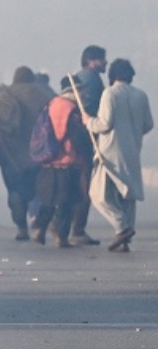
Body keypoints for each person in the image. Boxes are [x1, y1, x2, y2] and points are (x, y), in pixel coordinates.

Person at [85, 58, 153, 252]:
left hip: (109, 151)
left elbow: (104, 124)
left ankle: (121, 226)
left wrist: (89, 121)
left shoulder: (109, 93)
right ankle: (124, 239)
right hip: (132, 149)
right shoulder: (141, 95)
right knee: (127, 195)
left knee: (98, 194)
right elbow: (148, 125)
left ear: (112, 75)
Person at [0, 66, 55, 240]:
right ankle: (40, 223)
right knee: (40, 189)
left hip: (10, 152)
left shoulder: (5, 95)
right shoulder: (44, 94)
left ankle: (21, 227)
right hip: (38, 153)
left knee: (14, 189)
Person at [32, 76, 93, 247]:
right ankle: (62, 236)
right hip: (69, 161)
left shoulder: (51, 104)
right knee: (69, 202)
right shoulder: (73, 109)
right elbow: (77, 136)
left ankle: (40, 228)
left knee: (49, 200)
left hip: (50, 160)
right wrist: (87, 153)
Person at [68, 45, 110, 245]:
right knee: (85, 185)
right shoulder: (92, 80)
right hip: (85, 139)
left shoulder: (79, 77)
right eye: (102, 59)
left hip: (73, 140)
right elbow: (91, 111)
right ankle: (78, 230)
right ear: (92, 61)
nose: (105, 63)